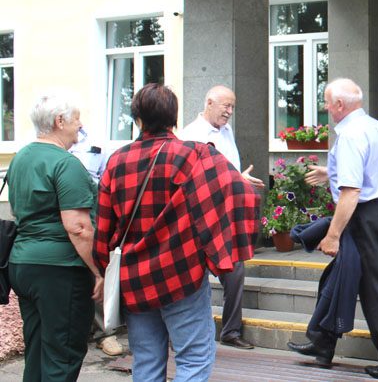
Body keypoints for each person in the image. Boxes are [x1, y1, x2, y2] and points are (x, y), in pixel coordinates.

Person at [93, 83, 260, 382]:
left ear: (138, 119)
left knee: (145, 360)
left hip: (135, 277)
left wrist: (101, 269)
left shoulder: (116, 161)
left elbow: (104, 226)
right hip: (181, 273)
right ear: (174, 117)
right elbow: (243, 194)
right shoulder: (195, 154)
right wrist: (220, 248)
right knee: (194, 357)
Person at [287, 78, 378, 380]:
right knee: (338, 275)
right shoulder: (373, 126)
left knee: (372, 288)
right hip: (376, 210)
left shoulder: (352, 134)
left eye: (328, 102)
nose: (326, 108)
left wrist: (332, 235)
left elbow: (352, 192)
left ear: (340, 105)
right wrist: (331, 170)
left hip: (362, 214)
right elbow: (371, 168)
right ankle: (322, 343)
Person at [7, 91, 102, 382]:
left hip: (22, 265)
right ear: (60, 121)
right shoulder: (66, 164)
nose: (80, 126)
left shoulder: (20, 158)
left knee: (36, 350)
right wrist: (98, 271)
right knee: (63, 352)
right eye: (76, 120)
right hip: (60, 270)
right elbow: (79, 227)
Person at [181, 85, 265, 350]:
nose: (230, 112)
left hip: (225, 216)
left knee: (235, 270)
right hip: (199, 218)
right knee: (194, 276)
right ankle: (185, 333)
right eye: (226, 106)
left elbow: (227, 172)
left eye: (232, 107)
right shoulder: (191, 135)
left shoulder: (226, 132)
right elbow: (194, 178)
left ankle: (230, 331)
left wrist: (240, 179)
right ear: (209, 102)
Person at [69, 129, 125, 357]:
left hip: (90, 211)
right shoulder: (50, 147)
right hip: (65, 213)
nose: (78, 124)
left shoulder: (95, 141)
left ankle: (104, 333)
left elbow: (106, 178)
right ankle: (79, 330)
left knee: (98, 269)